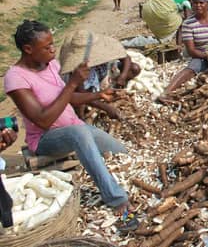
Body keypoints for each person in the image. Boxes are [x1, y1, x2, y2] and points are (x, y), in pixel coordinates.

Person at [3, 20, 138, 231]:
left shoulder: (51, 65)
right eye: (46, 47)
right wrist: (73, 82)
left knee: (120, 151)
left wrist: (97, 95)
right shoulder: (16, 78)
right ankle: (118, 201)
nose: (53, 50)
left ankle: (126, 185)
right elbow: (43, 120)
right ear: (28, 49)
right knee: (79, 132)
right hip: (46, 138)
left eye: (52, 44)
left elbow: (68, 97)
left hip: (76, 128)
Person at [59, 30, 141, 120]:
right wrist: (106, 108)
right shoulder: (78, 70)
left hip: (107, 74)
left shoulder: (103, 49)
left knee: (135, 68)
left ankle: (115, 87)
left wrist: (122, 76)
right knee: (81, 106)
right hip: (90, 89)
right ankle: (81, 118)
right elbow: (82, 93)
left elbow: (126, 57)